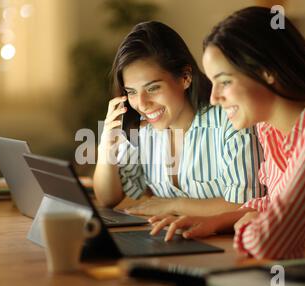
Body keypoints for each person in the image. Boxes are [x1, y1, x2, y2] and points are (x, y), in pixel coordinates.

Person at [151, 7, 305, 259]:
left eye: (224, 81)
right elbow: (271, 205)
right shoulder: (269, 129)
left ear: (267, 70)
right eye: (213, 83)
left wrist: (248, 224)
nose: (214, 98)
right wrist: (217, 221)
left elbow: (268, 242)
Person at [93, 21, 265, 219]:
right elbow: (107, 198)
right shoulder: (144, 130)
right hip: (175, 240)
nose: (142, 103)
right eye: (132, 92)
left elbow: (247, 204)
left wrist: (174, 205)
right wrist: (107, 148)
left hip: (227, 246)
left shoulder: (230, 120)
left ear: (185, 77)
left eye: (153, 88)